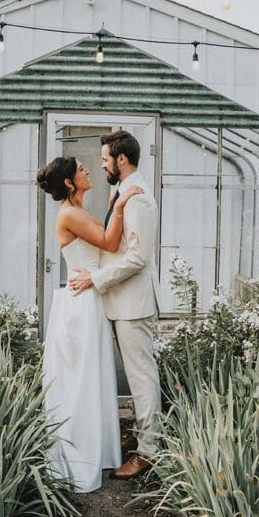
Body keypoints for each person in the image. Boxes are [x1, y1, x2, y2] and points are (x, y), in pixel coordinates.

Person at [36, 156, 144, 493]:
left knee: (90, 377)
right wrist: (122, 202)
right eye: (80, 169)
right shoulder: (69, 214)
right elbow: (110, 243)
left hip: (89, 301)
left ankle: (93, 449)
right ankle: (77, 455)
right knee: (78, 380)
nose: (87, 171)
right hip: (79, 306)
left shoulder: (79, 211)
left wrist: (115, 204)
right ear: (69, 182)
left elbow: (104, 238)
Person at [68, 130, 161, 480]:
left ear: (121, 160)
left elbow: (137, 258)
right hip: (121, 303)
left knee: (142, 380)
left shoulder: (138, 199)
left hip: (132, 304)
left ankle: (149, 451)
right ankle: (142, 437)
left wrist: (96, 279)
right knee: (138, 378)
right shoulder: (122, 193)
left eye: (106, 159)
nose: (103, 164)